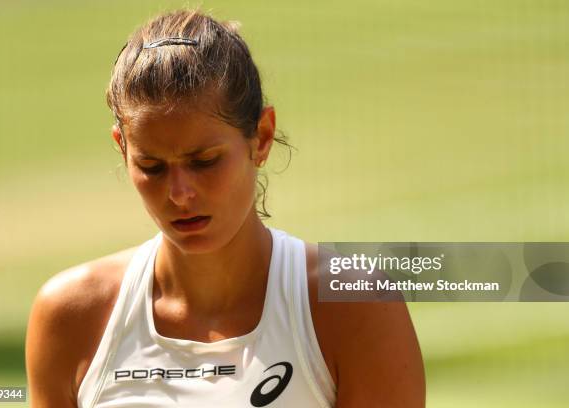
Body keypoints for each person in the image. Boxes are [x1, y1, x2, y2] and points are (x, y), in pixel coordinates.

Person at [25, 9, 425, 408]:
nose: (179, 193)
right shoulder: (70, 315)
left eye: (205, 161)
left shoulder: (358, 306)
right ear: (123, 148)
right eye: (152, 167)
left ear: (262, 138)